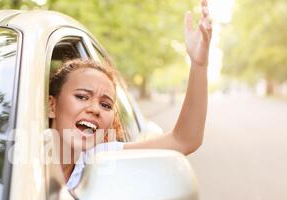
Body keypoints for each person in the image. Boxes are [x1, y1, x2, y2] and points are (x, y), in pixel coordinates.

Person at [48, 0, 213, 190]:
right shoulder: (19, 160)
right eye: (82, 97)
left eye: (106, 105)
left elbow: (184, 140)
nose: (95, 109)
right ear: (52, 106)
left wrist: (199, 65)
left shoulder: (99, 157)